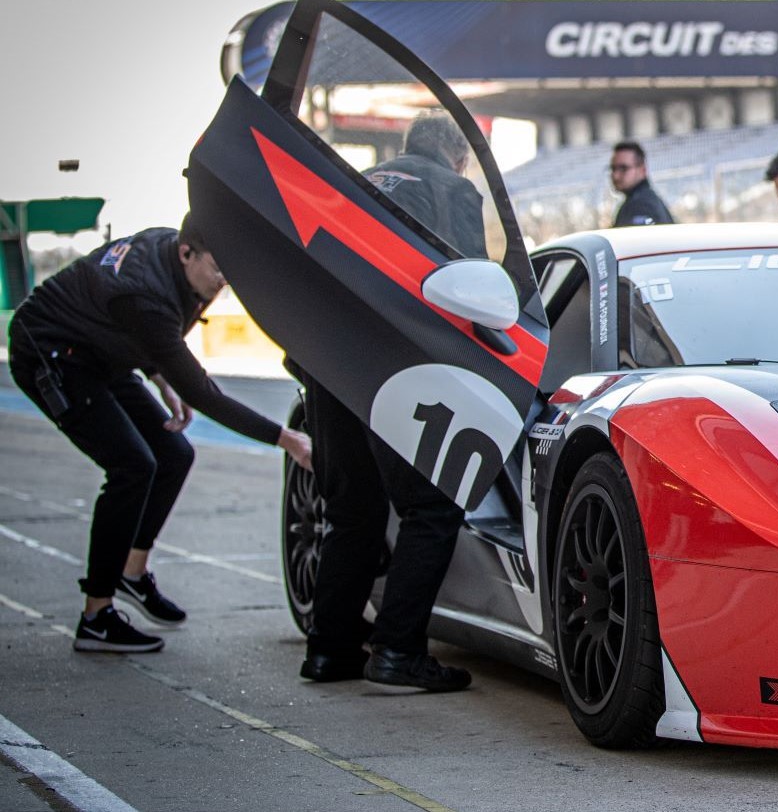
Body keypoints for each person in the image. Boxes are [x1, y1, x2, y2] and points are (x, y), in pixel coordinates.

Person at [7, 215, 312, 653]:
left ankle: (131, 573)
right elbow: (203, 394)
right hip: (51, 353)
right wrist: (287, 439)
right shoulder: (146, 293)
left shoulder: (173, 255)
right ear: (187, 253)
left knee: (174, 454)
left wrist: (160, 376)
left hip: (98, 349)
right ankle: (96, 616)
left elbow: (122, 319)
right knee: (132, 466)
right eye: (218, 270)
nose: (223, 282)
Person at [292, 113, 489, 690]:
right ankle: (399, 652)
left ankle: (329, 651)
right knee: (432, 508)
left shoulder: (355, 184)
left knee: (352, 512)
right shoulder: (451, 188)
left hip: (330, 365)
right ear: (456, 158)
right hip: (396, 367)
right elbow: (468, 282)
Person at [362, 112, 488, 258]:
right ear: (462, 163)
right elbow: (471, 266)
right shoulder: (456, 188)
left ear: (405, 149)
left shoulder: (363, 177)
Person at [609, 141, 674, 227]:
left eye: (623, 168)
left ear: (642, 170)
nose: (615, 176)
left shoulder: (641, 205)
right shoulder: (642, 200)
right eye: (613, 169)